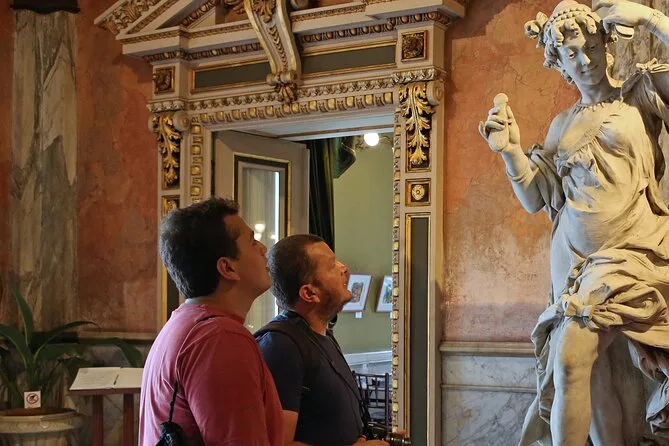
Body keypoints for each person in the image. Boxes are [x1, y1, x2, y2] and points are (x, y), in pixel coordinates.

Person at [479, 1, 669, 444]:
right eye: (571, 54)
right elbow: (535, 198)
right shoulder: (562, 125)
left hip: (632, 253)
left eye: (591, 48)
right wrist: (510, 151)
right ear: (558, 63)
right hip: (572, 264)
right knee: (592, 377)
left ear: (606, 44)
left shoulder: (638, 96)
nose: (585, 61)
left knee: (570, 358)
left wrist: (650, 19)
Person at [138, 197, 284, 445]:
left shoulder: (185, 323)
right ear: (227, 268)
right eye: (252, 242)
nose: (263, 248)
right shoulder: (220, 338)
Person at [255, 234, 388, 446]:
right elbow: (276, 443)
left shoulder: (321, 336)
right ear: (309, 293)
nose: (343, 268)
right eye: (331, 265)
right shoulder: (281, 346)